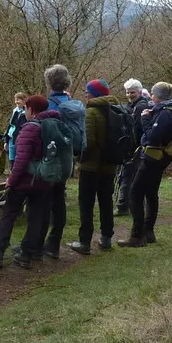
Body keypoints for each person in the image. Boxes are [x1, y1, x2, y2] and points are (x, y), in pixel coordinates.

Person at [0, 95, 56, 269]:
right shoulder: (54, 126)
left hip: (24, 181)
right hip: (43, 181)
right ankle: (26, 254)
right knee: (35, 218)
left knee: (9, 214)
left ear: (31, 109)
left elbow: (21, 160)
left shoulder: (30, 129)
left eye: (26, 109)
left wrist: (11, 180)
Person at [119, 83, 172, 248]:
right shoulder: (169, 109)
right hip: (161, 157)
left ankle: (137, 236)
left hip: (153, 157)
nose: (151, 97)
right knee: (150, 192)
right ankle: (148, 232)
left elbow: (153, 137)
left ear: (158, 96)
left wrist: (145, 120)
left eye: (153, 94)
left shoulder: (165, 114)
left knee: (135, 193)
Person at [70, 79, 123, 255]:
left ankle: (84, 242)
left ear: (94, 93)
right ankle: (106, 238)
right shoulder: (117, 109)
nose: (85, 93)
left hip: (91, 167)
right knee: (106, 202)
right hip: (110, 165)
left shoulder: (91, 112)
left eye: (87, 91)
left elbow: (88, 141)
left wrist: (79, 157)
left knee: (86, 203)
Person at [39, 64, 77, 258]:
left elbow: (42, 133)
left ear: (49, 82)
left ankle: (38, 244)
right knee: (59, 200)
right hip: (68, 159)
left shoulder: (48, 104)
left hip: (50, 159)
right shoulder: (73, 104)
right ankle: (54, 243)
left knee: (44, 201)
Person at [116, 79, 150, 216]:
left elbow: (137, 128)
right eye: (127, 92)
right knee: (131, 177)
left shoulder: (140, 107)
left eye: (132, 92)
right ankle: (131, 204)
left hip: (136, 148)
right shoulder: (134, 105)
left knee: (127, 176)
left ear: (139, 92)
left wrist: (132, 147)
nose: (129, 95)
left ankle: (123, 206)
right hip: (136, 147)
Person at [5, 92, 28, 169]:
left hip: (20, 139)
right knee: (12, 159)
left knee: (19, 160)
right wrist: (6, 141)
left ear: (24, 100)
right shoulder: (15, 111)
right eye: (16, 100)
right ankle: (12, 176)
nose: (16, 102)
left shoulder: (27, 112)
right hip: (12, 138)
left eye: (19, 100)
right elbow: (10, 126)